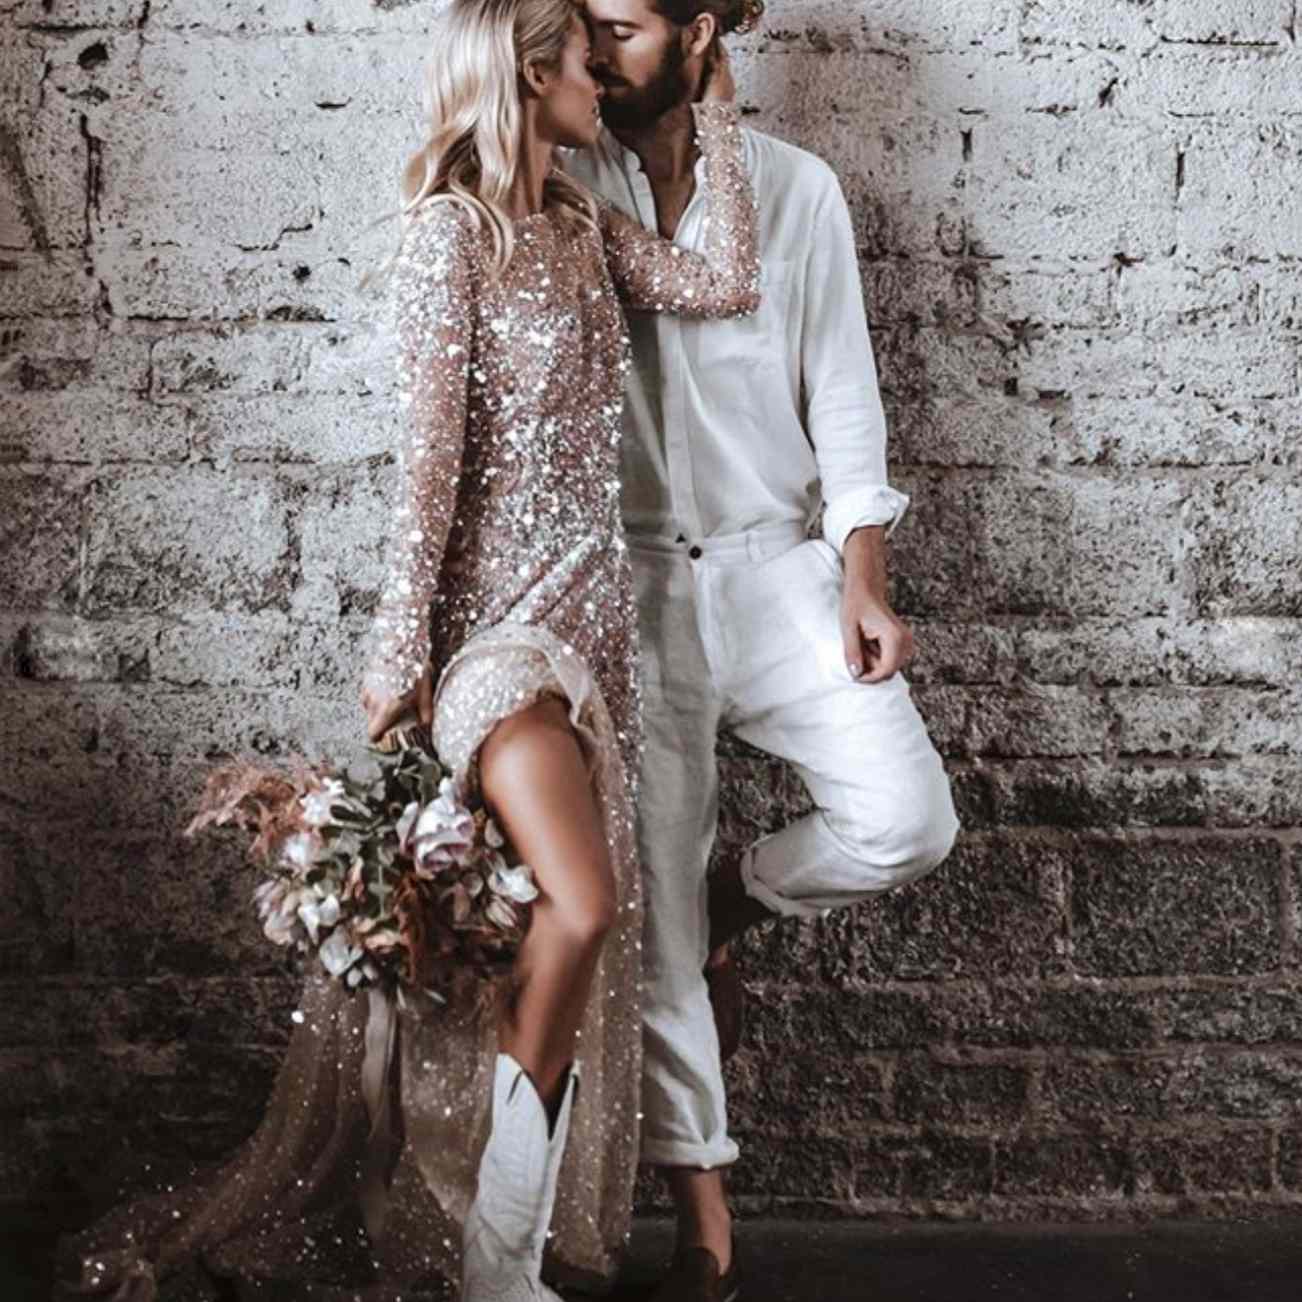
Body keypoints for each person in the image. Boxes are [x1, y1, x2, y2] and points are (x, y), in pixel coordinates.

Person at [56, 3, 758, 1300]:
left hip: (595, 638)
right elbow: (425, 475)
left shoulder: (582, 228)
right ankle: (494, 1264)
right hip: (493, 641)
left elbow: (723, 280)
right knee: (585, 901)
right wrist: (398, 658)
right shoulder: (454, 236)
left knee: (564, 930)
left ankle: (505, 1244)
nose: (601, 72)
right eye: (580, 57)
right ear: (525, 69)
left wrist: (713, 90)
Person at [564, 2, 961, 1298]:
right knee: (652, 927)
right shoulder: (555, 182)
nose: (593, 47)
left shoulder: (793, 191)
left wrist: (862, 580)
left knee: (906, 819)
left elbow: (843, 393)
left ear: (699, 29)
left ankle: (738, 892)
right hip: (625, 589)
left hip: (775, 569)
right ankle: (704, 1217)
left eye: (621, 24)